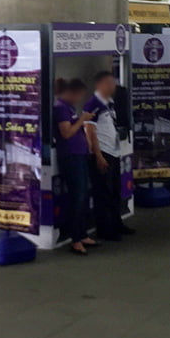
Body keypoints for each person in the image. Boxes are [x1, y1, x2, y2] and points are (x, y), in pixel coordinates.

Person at [84, 71, 134, 241]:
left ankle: (117, 224)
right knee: (103, 193)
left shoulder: (110, 103)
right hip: (103, 153)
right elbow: (89, 130)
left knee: (114, 192)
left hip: (113, 152)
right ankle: (105, 230)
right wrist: (98, 156)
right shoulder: (92, 103)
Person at [54, 78, 98, 255]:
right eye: (79, 95)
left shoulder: (69, 107)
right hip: (70, 157)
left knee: (84, 195)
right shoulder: (60, 108)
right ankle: (75, 239)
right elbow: (66, 133)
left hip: (80, 155)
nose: (80, 98)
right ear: (71, 92)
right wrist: (82, 119)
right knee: (77, 197)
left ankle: (82, 233)